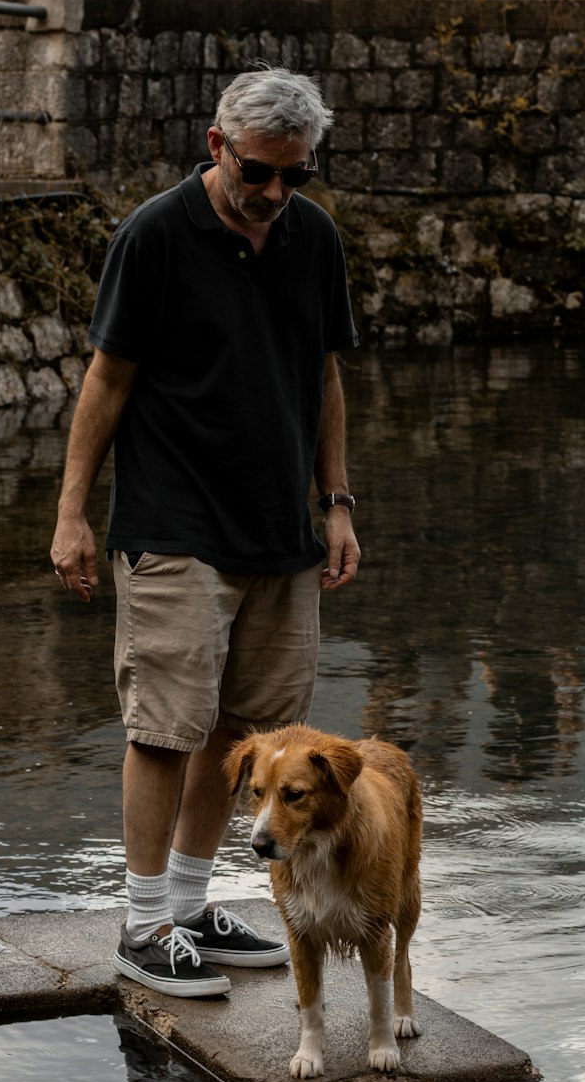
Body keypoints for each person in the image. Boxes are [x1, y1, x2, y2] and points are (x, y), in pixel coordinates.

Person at [49, 67, 361, 999]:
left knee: (242, 735)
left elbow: (325, 379)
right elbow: (107, 381)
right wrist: (71, 511)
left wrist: (337, 501)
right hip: (174, 522)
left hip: (280, 530)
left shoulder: (312, 239)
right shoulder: (154, 234)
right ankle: (143, 924)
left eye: (294, 177)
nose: (274, 195)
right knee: (164, 729)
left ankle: (188, 907)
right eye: (259, 174)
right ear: (219, 147)